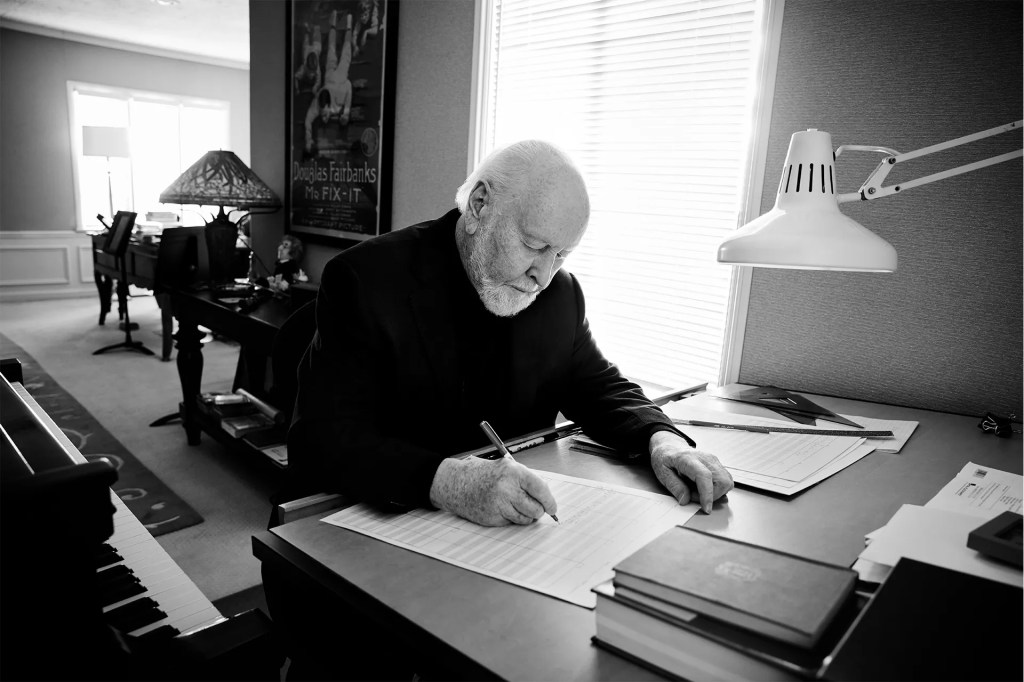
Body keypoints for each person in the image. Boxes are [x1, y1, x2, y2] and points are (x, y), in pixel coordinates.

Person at [288, 139, 733, 525]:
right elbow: (321, 439)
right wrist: (446, 482)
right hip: (379, 516)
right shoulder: (365, 280)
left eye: (561, 254)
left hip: (513, 531)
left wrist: (663, 441)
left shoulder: (560, 294)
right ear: (479, 206)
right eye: (534, 246)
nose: (543, 275)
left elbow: (598, 386)